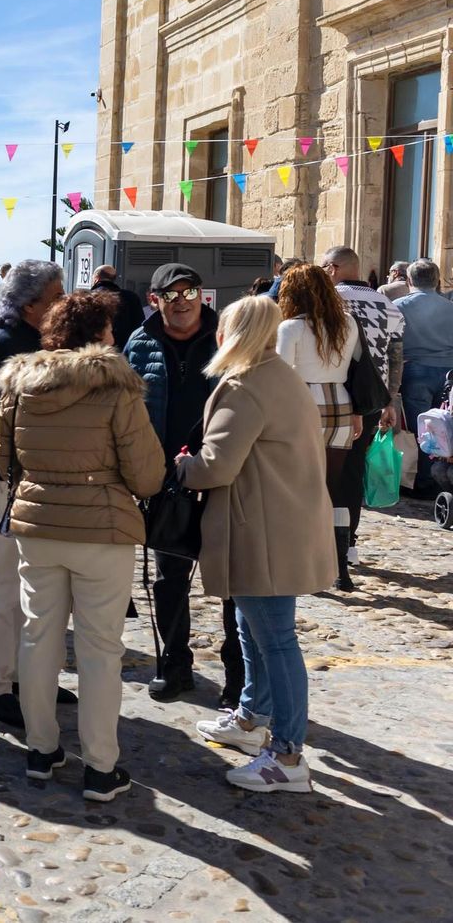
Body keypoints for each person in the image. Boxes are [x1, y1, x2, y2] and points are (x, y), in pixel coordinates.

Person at [0, 291, 162, 802]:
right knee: (99, 651)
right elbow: (147, 473)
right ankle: (100, 766)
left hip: (38, 528)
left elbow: (4, 461)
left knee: (38, 640)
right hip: (101, 529)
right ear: (100, 333)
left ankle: (41, 750)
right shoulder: (117, 388)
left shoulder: (21, 388)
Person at [177, 297, 335, 793]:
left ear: (232, 333)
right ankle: (252, 719)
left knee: (275, 640)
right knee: (252, 628)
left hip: (263, 528)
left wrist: (181, 467)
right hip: (280, 521)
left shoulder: (247, 386)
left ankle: (287, 755)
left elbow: (215, 467)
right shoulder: (280, 375)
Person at [123, 262, 236, 703]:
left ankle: (237, 678)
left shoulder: (225, 341)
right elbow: (128, 410)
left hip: (221, 476)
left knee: (230, 581)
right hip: (166, 481)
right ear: (156, 300)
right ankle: (174, 664)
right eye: (171, 295)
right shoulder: (139, 343)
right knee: (169, 578)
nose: (183, 302)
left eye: (190, 292)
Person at [0, 259, 64, 727]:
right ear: (30, 305)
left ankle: (31, 676)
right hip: (8, 479)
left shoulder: (38, 340)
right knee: (2, 584)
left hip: (36, 479)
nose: (61, 303)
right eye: (55, 297)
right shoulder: (2, 345)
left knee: (37, 586)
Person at [275, 263, 360, 590]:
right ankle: (341, 569)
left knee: (299, 487)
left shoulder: (291, 328)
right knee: (332, 489)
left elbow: (282, 375)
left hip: (303, 404)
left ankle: (303, 565)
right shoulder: (349, 324)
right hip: (340, 404)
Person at [321, 246, 403, 565]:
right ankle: (348, 542)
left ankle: (321, 541)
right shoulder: (388, 306)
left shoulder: (331, 301)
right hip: (370, 399)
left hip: (331, 396)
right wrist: (390, 400)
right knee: (352, 471)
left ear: (332, 268)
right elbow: (396, 359)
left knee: (323, 471)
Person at [395, 259, 453, 497]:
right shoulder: (450, 306)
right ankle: (440, 480)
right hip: (448, 372)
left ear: (409, 281)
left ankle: (422, 481)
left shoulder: (399, 305)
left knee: (421, 430)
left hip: (415, 370)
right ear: (437, 281)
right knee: (445, 428)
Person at [92, 265, 145, 349]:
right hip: (125, 352)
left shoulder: (88, 298)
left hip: (95, 352)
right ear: (113, 279)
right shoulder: (131, 297)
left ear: (96, 278)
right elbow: (140, 328)